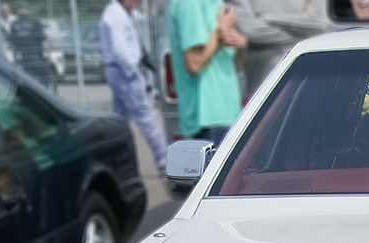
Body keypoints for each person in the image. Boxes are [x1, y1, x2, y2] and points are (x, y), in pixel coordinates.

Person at [100, 0, 169, 172]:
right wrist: (133, 74)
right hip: (124, 72)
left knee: (119, 121)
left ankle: (113, 164)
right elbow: (120, 49)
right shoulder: (115, 14)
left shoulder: (116, 12)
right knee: (147, 117)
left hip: (118, 70)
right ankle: (165, 162)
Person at [169, 0, 246, 144]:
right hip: (207, 121)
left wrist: (241, 44)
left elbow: (232, 65)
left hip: (230, 116)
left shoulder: (218, 4)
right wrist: (219, 30)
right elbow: (194, 62)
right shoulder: (189, 4)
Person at [228, 0, 329, 96]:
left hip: (308, 81)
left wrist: (267, 18)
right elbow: (248, 30)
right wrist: (301, 35)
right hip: (262, 86)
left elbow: (320, 25)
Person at [7, 5, 55, 90]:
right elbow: (43, 39)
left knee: (27, 78)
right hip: (36, 55)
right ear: (27, 11)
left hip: (22, 57)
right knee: (45, 76)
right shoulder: (34, 22)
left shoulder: (15, 24)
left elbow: (12, 42)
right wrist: (48, 54)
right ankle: (45, 94)